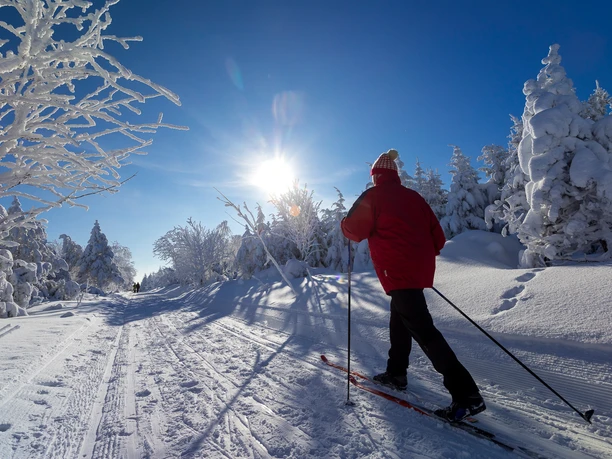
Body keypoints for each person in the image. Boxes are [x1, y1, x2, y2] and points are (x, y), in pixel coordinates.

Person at [340, 149, 486, 422]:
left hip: (397, 273)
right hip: (414, 273)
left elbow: (355, 231)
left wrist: (343, 224)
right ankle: (396, 373)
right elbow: (438, 239)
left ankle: (467, 395)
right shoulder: (414, 198)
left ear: (376, 176)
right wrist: (417, 258)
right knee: (400, 320)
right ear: (394, 175)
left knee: (423, 330)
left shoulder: (372, 197)